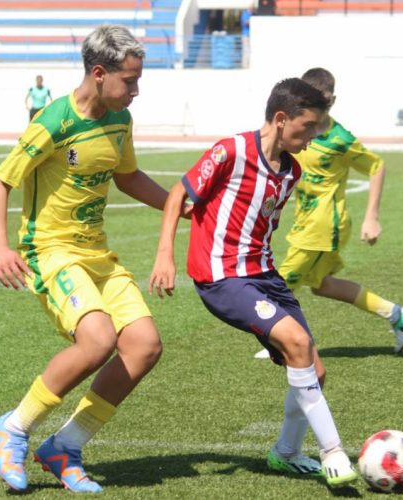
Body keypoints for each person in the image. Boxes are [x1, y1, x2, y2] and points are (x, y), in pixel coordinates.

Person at [0, 24, 173, 494]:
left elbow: (127, 177)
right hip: (51, 252)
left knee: (145, 346)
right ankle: (14, 427)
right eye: (129, 81)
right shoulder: (54, 122)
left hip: (97, 253)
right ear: (99, 73)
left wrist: (179, 205)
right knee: (97, 339)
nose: (136, 90)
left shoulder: (120, 120)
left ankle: (65, 445)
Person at [149, 78, 360, 488]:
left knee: (314, 369)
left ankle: (285, 453)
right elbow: (179, 193)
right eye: (307, 127)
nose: (313, 136)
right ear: (281, 119)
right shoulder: (230, 151)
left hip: (265, 275)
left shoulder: (291, 170)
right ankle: (333, 453)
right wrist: (165, 255)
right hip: (222, 276)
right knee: (297, 344)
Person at [252, 68, 403, 361]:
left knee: (284, 279)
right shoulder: (297, 129)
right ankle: (396, 314)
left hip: (324, 224)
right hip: (307, 220)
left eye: (323, 99)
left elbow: (376, 166)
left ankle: (282, 342)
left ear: (332, 99)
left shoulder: (340, 139)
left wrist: (372, 217)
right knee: (323, 285)